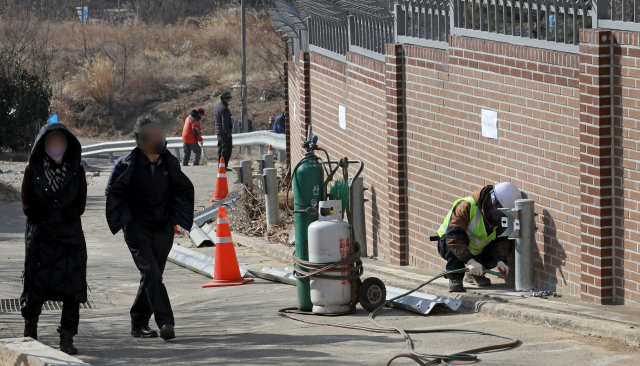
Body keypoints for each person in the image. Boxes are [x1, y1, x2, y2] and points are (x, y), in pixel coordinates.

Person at [105, 115, 194, 341]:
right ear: (141, 141)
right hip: (137, 229)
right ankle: (166, 321)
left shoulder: (170, 163)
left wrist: (175, 218)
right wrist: (125, 222)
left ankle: (138, 322)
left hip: (163, 227)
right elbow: (113, 193)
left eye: (161, 136)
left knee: (152, 276)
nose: (160, 140)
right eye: (154, 137)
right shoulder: (127, 165)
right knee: (151, 273)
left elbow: (182, 190)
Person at [20, 123, 87, 355]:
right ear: (43, 145)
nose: (56, 146)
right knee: (34, 288)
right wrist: (47, 219)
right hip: (40, 237)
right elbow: (27, 204)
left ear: (68, 144)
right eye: (51, 142)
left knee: (72, 291)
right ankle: (30, 332)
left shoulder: (77, 170)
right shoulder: (33, 169)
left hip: (70, 238)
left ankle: (67, 337)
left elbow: (80, 204)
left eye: (60, 141)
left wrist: (63, 217)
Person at [435, 182, 521, 292]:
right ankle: (455, 278)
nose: (496, 216)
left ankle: (476, 273)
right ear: (491, 200)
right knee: (454, 241)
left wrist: (501, 260)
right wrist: (470, 261)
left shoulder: (500, 218)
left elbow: (501, 239)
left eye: (500, 214)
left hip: (475, 248)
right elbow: (454, 236)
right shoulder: (466, 206)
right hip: (449, 243)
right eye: (496, 211)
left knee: (497, 252)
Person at [214, 91, 233, 168]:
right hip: (224, 132)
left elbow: (215, 120)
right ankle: (223, 166)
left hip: (218, 131)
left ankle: (220, 166)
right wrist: (228, 132)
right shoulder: (224, 108)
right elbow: (224, 123)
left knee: (220, 149)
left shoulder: (217, 106)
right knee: (226, 150)